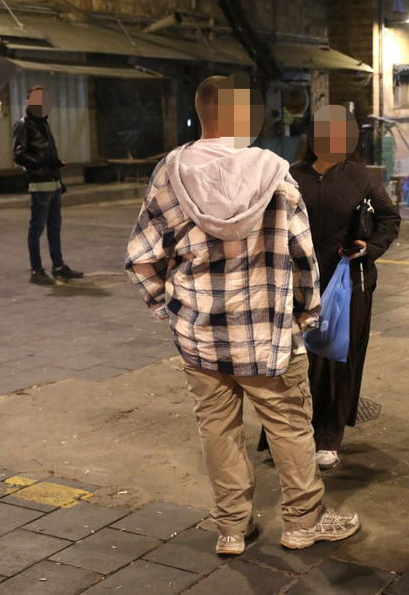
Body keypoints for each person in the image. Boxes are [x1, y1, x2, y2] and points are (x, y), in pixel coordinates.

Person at [125, 74, 360, 555]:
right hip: (269, 334)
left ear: (201, 114)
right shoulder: (274, 172)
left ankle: (232, 528)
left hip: (201, 337)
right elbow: (302, 255)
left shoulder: (171, 172)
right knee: (290, 427)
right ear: (243, 117)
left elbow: (143, 256)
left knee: (218, 428)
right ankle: (302, 523)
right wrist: (303, 316)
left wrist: (170, 308)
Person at [288, 104, 401, 470]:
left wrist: (369, 248)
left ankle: (329, 437)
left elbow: (389, 217)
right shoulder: (292, 176)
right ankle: (294, 432)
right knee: (297, 362)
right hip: (299, 286)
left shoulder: (359, 176)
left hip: (349, 284)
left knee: (336, 362)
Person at [12, 85, 83, 285]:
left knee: (55, 227)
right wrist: (44, 165)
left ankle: (58, 267)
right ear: (28, 102)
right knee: (37, 228)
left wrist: (60, 182)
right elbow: (18, 155)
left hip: (52, 183)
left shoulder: (43, 124)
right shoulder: (24, 125)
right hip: (39, 184)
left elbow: (50, 155)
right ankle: (36, 270)